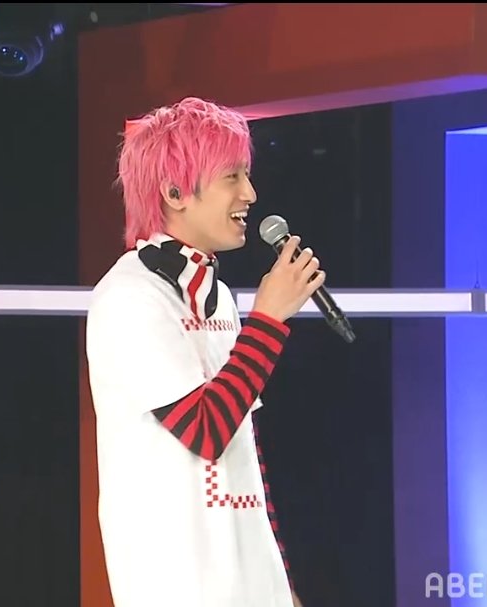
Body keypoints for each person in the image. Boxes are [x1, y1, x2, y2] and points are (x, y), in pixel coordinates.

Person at [85, 97, 322, 607]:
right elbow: (205, 431)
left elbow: (242, 449)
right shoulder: (130, 295)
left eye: (246, 175)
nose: (249, 193)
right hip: (178, 586)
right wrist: (268, 320)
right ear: (174, 193)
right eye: (232, 177)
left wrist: (280, 582)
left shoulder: (218, 297)